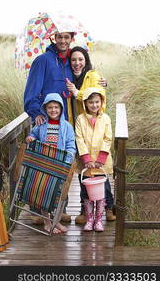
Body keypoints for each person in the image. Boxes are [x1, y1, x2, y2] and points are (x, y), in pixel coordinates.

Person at [24, 31, 75, 223]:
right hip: (43, 122)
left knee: (60, 166)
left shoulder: (70, 62)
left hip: (63, 123)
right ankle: (37, 210)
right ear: (53, 38)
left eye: (66, 37)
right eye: (59, 37)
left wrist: (102, 82)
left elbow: (84, 79)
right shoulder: (43, 60)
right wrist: (36, 113)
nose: (62, 41)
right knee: (40, 168)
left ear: (71, 39)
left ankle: (60, 208)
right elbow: (31, 91)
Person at [66, 46, 116, 224]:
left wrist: (76, 93)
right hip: (79, 126)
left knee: (101, 175)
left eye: (80, 59)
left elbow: (98, 96)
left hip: (95, 125)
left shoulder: (93, 76)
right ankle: (84, 210)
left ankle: (108, 207)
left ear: (86, 60)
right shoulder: (69, 75)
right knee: (84, 173)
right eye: (73, 60)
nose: (77, 63)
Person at [25, 93, 76, 234]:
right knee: (44, 194)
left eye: (56, 107)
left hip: (59, 165)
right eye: (50, 108)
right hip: (43, 164)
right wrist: (30, 137)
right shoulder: (41, 125)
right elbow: (33, 134)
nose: (53, 110)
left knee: (59, 195)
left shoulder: (67, 127)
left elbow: (71, 145)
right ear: (45, 109)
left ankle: (56, 221)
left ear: (61, 108)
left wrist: (68, 159)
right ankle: (47, 222)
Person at [75, 87, 114, 231]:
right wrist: (86, 158)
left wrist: (101, 158)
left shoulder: (105, 119)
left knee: (101, 190)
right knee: (86, 191)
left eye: (97, 102)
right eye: (91, 102)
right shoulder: (80, 119)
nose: (94, 105)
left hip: (100, 163)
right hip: (86, 163)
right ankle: (89, 218)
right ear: (85, 103)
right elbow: (79, 139)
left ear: (101, 102)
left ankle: (99, 220)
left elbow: (108, 138)